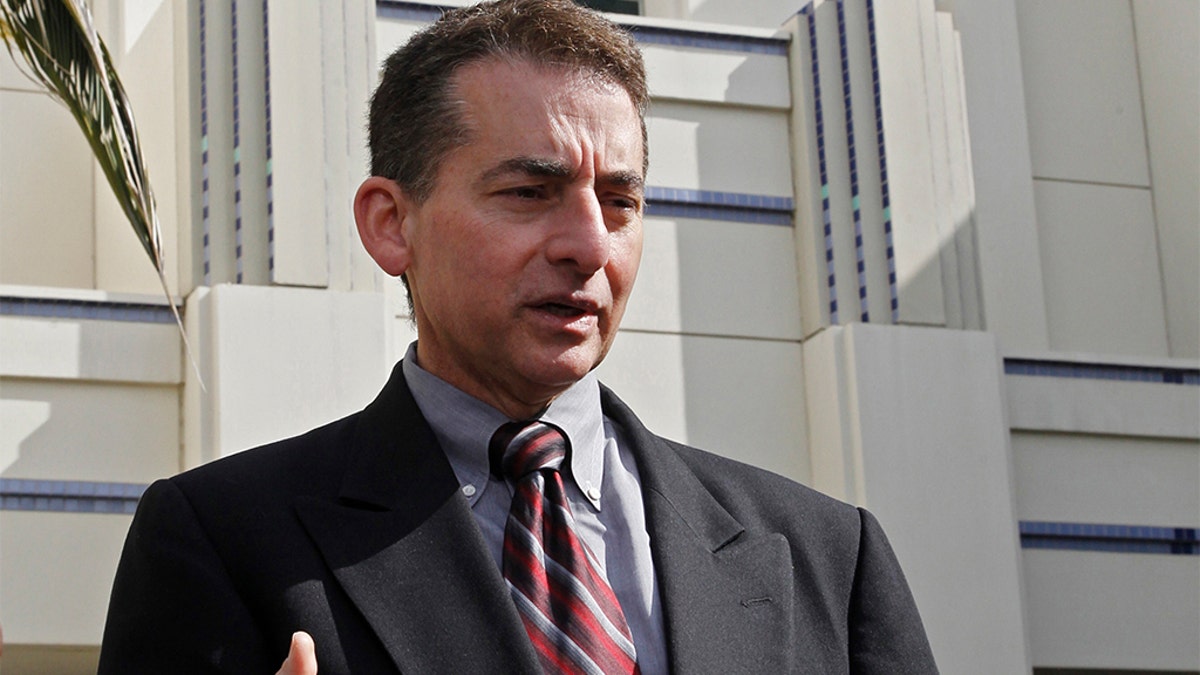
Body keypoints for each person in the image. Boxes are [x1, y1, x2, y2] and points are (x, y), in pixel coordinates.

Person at [98, 1, 937, 673]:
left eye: (620, 200)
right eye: (531, 192)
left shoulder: (829, 554)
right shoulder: (220, 539)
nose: (590, 244)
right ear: (392, 224)